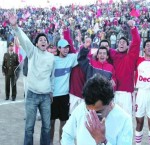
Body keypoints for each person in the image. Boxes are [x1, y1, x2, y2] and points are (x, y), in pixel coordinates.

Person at [8, 13, 55, 145]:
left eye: (45, 40)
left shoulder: (51, 58)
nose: (43, 41)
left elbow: (52, 76)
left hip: (46, 96)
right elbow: (24, 40)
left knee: (46, 127)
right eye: (40, 40)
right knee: (29, 128)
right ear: (36, 43)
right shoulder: (32, 52)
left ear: (48, 43)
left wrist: (51, 91)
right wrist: (15, 26)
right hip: (32, 95)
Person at [61, 74, 133, 145]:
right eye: (88, 110)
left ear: (110, 103)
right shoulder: (81, 108)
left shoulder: (124, 120)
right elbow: (67, 134)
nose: (92, 115)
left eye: (98, 112)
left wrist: (102, 140)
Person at [108, 20, 141, 115]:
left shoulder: (131, 56)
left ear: (128, 46)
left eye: (124, 42)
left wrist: (133, 28)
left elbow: (137, 41)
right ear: (117, 45)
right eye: (120, 42)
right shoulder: (113, 54)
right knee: (113, 120)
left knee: (126, 120)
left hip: (126, 94)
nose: (121, 43)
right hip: (113, 93)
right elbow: (104, 50)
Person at [50, 39, 78, 145]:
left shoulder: (71, 58)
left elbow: (84, 55)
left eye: (67, 47)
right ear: (58, 48)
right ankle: (50, 142)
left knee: (63, 122)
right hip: (53, 96)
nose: (66, 49)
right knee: (51, 122)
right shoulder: (52, 60)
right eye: (64, 47)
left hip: (65, 96)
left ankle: (62, 143)